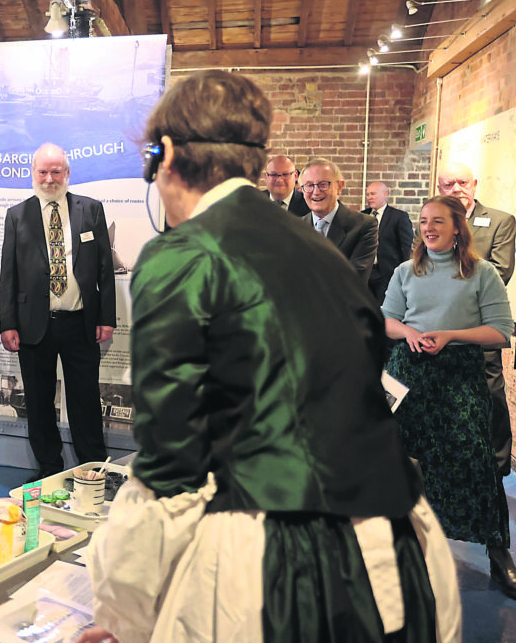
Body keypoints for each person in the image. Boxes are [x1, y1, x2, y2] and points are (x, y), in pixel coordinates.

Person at [80, 70, 459, 643]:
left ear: (169, 155)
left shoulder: (182, 254)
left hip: (276, 573)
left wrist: (123, 614)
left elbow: (170, 468)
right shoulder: (322, 253)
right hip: (400, 558)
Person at [383, 194, 516, 599]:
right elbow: (387, 320)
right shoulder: (406, 271)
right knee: (402, 463)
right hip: (409, 374)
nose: (428, 228)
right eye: (424, 221)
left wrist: (450, 336)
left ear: (458, 227)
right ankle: (404, 551)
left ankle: (498, 554)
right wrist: (409, 332)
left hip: (459, 377)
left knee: (476, 462)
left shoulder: (482, 273)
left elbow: (500, 330)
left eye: (438, 221)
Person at [0, 143, 116, 481]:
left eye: (56, 171)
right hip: (34, 325)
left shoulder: (90, 210)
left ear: (67, 173)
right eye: (43, 172)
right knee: (38, 401)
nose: (49, 179)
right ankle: (49, 467)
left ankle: (92, 467)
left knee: (85, 399)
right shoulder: (17, 215)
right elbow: (8, 274)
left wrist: (106, 317)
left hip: (81, 323)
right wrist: (8, 323)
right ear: (32, 173)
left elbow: (105, 268)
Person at [437, 161, 515, 474]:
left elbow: (499, 272)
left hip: (482, 324)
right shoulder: (430, 220)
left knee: (490, 394)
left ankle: (498, 464)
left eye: (462, 183)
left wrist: (445, 280)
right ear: (440, 189)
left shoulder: (500, 221)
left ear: (474, 185)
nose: (456, 189)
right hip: (438, 325)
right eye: (449, 184)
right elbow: (419, 265)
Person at [299, 158, 378, 282]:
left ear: (339, 187)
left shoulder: (364, 226)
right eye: (309, 185)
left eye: (323, 184)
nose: (316, 192)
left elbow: (354, 281)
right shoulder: (295, 227)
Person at [363, 181, 414, 305]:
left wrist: (403, 274)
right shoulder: (362, 216)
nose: (369, 197)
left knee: (384, 310)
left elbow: (406, 247)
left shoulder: (398, 217)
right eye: (368, 194)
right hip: (365, 273)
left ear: (385, 194)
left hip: (387, 274)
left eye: (373, 194)